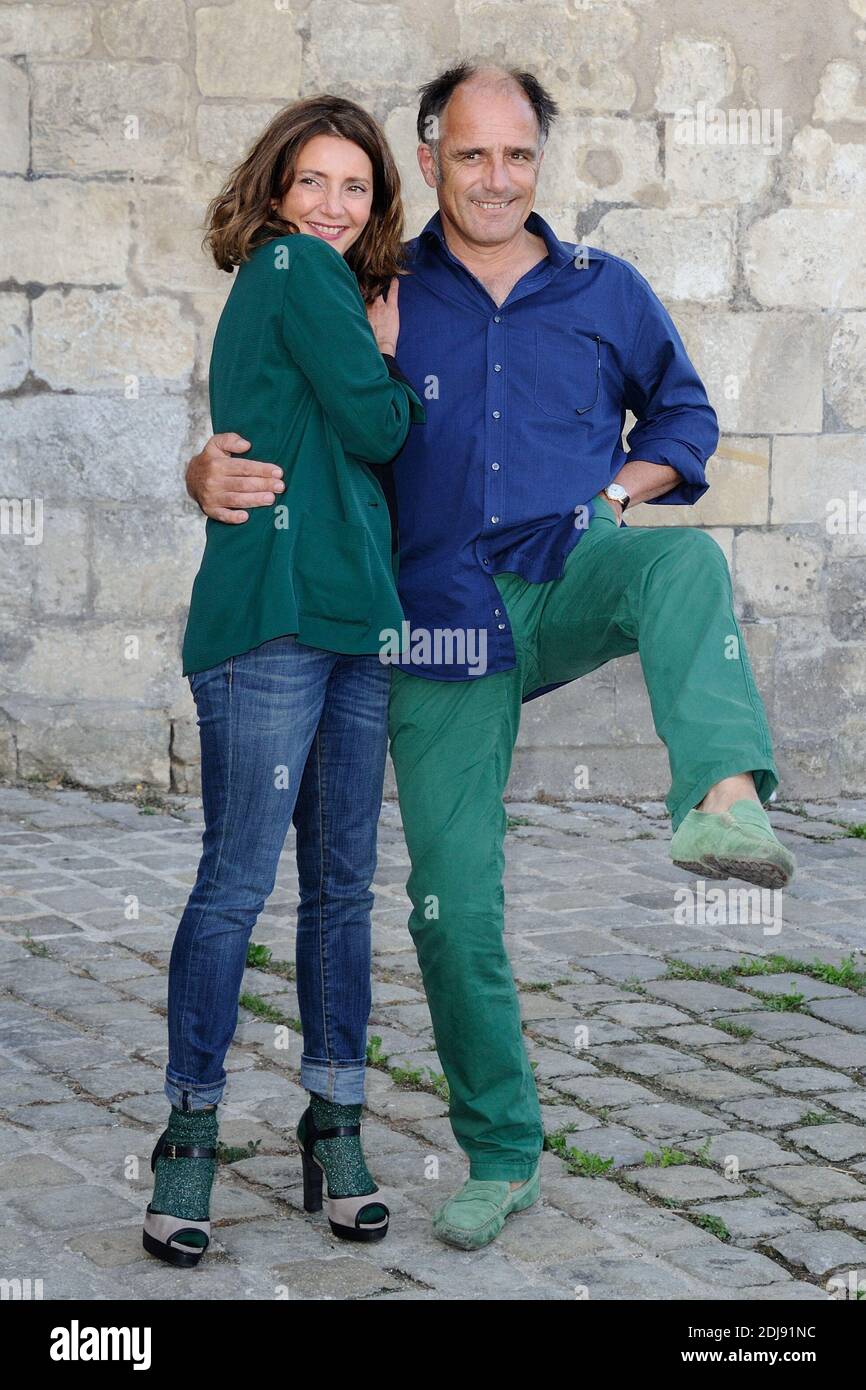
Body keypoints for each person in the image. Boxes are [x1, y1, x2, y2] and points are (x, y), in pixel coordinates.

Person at [183, 63, 796, 1252]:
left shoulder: (602, 289)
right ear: (430, 163)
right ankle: (503, 1150)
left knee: (684, 564)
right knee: (447, 911)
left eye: (516, 155)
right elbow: (286, 408)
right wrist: (202, 470)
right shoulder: (373, 282)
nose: (495, 177)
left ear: (539, 163)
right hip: (431, 623)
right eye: (470, 155)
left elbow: (684, 419)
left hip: (563, 574)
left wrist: (620, 491)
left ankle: (722, 799)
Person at [142, 95, 425, 1267]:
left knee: (340, 889)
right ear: (273, 192)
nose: (330, 205)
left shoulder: (310, 283)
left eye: (353, 188)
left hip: (353, 622)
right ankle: (190, 1133)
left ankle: (334, 1123)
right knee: (242, 883)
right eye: (310, 181)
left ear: (375, 203)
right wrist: (392, 358)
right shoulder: (300, 272)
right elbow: (377, 425)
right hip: (273, 622)